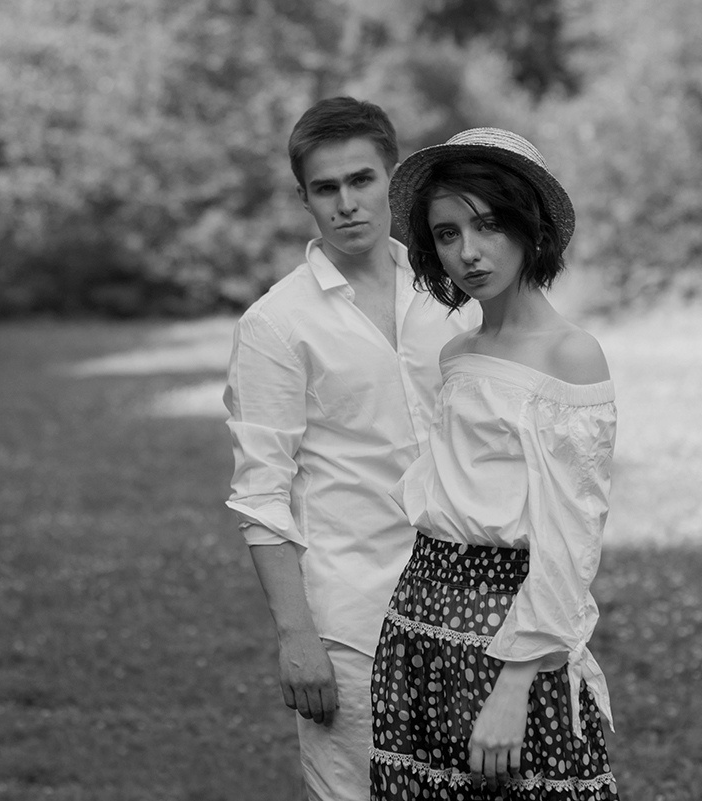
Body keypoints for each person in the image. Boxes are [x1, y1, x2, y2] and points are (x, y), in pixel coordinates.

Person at [223, 98, 481, 800]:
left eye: (362, 180)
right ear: (304, 198)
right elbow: (261, 494)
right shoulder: (277, 324)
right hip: (354, 623)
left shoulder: (453, 294)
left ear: (393, 179)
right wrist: (295, 636)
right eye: (326, 188)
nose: (346, 203)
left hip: (471, 610)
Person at [370, 128, 620, 799]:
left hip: (511, 632)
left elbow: (570, 539)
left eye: (487, 225)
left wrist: (515, 682)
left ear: (528, 225)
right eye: (447, 234)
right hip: (418, 620)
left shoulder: (570, 355)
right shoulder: (457, 354)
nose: (468, 251)